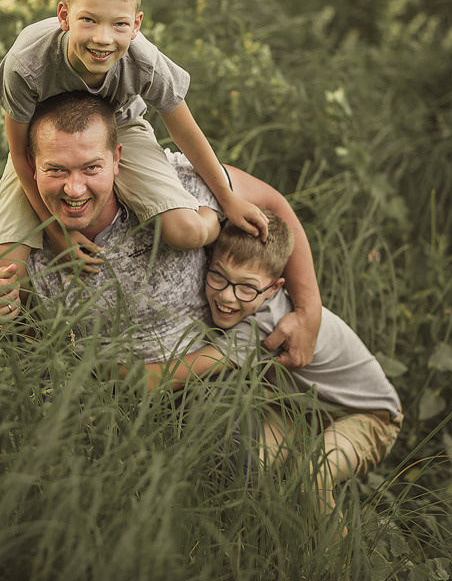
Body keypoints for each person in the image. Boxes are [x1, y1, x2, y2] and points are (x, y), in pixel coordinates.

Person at [0, 92, 321, 369]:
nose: (74, 190)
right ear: (31, 167)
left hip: (202, 379)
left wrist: (309, 312)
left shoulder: (175, 187)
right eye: (56, 170)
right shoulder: (10, 228)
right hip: (95, 401)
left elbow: (273, 206)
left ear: (117, 159)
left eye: (91, 168)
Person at [0, 0, 267, 282]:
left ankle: (211, 218)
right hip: (47, 143)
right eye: (88, 20)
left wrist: (228, 200)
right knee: (0, 271)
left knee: (186, 232)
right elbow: (19, 152)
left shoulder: (144, 62)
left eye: (119, 24)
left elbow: (185, 131)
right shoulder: (27, 62)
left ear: (136, 24)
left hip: (121, 125)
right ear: (64, 16)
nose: (103, 38)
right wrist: (60, 235)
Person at [134, 210, 403, 522]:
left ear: (275, 288)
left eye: (247, 287)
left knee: (313, 481)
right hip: (298, 412)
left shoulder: (268, 324)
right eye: (218, 276)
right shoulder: (248, 302)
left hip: (368, 415)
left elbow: (165, 378)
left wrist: (93, 369)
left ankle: (337, 569)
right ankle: (265, 548)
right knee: (249, 473)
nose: (226, 296)